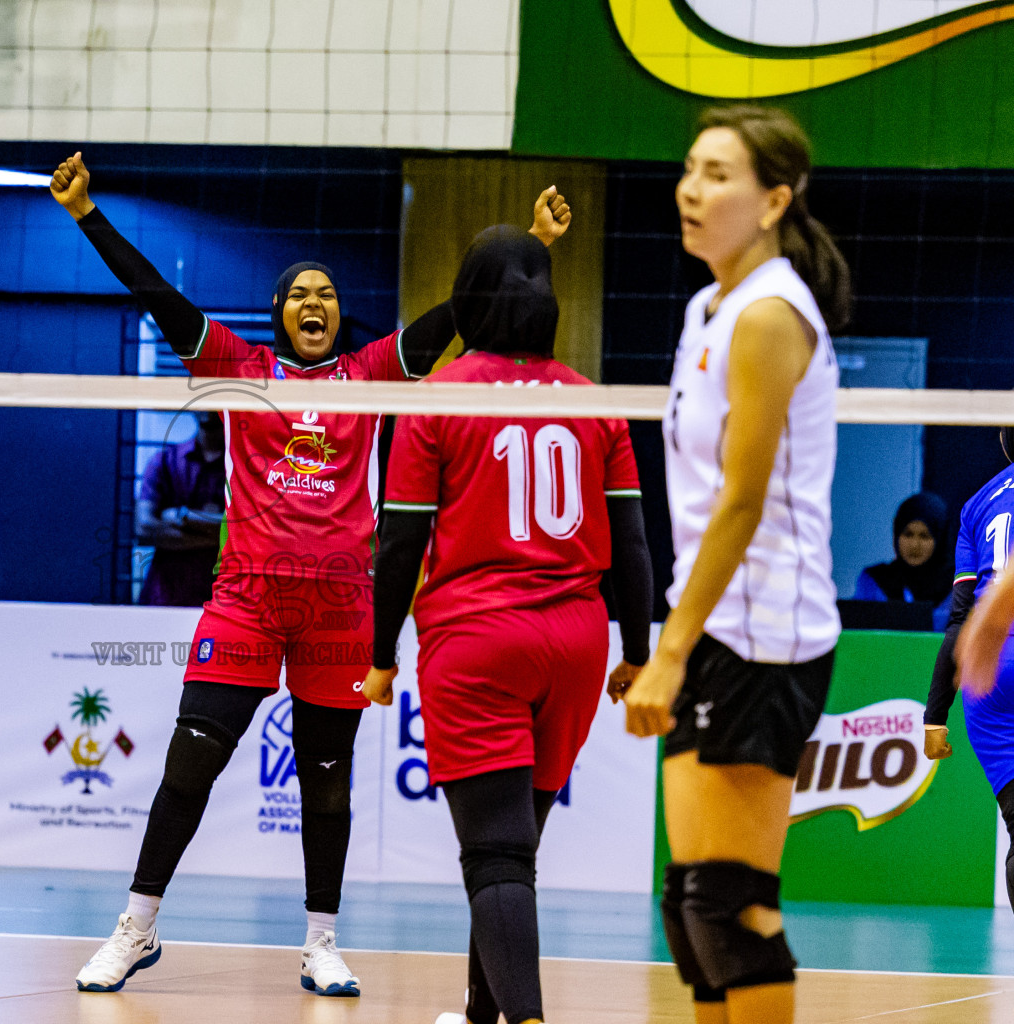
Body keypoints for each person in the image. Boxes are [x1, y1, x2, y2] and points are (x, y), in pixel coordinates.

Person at [49, 151, 571, 997]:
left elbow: (456, 318)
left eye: (326, 293)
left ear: (340, 314)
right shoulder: (239, 371)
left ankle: (319, 942)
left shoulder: (369, 376)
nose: (314, 303)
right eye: (299, 293)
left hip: (340, 608)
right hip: (248, 599)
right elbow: (157, 298)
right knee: (189, 764)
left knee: (328, 787)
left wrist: (535, 248)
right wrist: (87, 216)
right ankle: (136, 927)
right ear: (277, 314)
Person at [362, 226, 654, 1024]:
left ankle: (525, 1019)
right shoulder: (597, 401)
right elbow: (631, 540)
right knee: (511, 855)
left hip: (479, 638)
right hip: (577, 644)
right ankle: (482, 1014)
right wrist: (638, 649)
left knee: (494, 855)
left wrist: (380, 656)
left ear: (465, 300)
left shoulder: (439, 397)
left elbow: (400, 543)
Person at [620, 105, 851, 1024]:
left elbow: (743, 503)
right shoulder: (704, 308)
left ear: (773, 201)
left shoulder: (768, 317)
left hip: (768, 635)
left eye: (719, 173)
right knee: (692, 908)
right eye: (690, 168)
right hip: (714, 619)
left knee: (733, 905)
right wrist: (678, 635)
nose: (691, 187)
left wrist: (669, 651)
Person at [923, 429, 1014, 911]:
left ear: (1003, 440)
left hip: (988, 673)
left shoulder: (979, 503)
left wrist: (935, 716)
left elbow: (960, 617)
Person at [136, 410, 225, 606]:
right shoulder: (164, 461)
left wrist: (181, 517)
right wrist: (218, 534)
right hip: (164, 599)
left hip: (221, 603)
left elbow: (248, 531)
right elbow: (143, 528)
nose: (208, 408)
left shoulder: (245, 467)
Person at [853, 492, 953, 630]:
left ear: (940, 539)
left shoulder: (958, 588)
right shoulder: (874, 581)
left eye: (924, 536)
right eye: (908, 534)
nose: (915, 545)